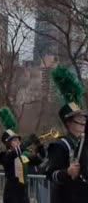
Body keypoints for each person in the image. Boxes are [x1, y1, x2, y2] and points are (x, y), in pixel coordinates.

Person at [45, 65, 88, 203]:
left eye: (83, 117)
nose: (83, 120)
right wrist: (67, 172)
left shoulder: (84, 143)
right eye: (79, 118)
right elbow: (51, 174)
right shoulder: (60, 145)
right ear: (69, 122)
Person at [0, 107, 43, 203]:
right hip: (11, 193)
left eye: (18, 140)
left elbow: (39, 159)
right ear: (7, 143)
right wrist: (29, 141)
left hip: (23, 193)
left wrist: (39, 145)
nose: (18, 142)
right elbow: (15, 153)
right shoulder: (5, 155)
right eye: (14, 140)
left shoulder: (23, 154)